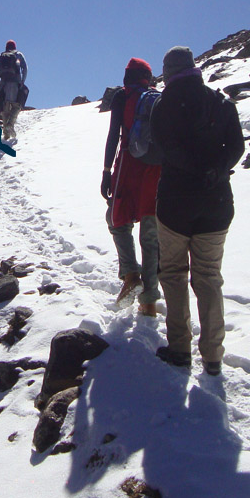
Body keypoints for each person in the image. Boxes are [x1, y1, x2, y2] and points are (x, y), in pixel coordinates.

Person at [150, 46, 245, 376]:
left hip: (175, 205)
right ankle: (213, 356)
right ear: (193, 68)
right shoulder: (220, 103)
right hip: (216, 203)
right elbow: (236, 148)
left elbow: (160, 149)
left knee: (174, 275)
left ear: (169, 71)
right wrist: (215, 171)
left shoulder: (163, 106)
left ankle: (179, 349)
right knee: (208, 279)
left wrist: (190, 169)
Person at [100, 58, 162, 316]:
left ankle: (131, 275)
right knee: (150, 233)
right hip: (155, 170)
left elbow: (114, 134)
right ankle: (148, 302)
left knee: (116, 219)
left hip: (129, 165)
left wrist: (105, 172)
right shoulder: (157, 98)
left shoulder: (122, 97)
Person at [0, 40, 28, 141]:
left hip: (4, 84)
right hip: (15, 82)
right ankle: (10, 125)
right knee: (17, 105)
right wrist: (22, 81)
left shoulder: (1, 56)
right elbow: (25, 69)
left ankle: (6, 134)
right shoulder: (18, 54)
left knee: (5, 108)